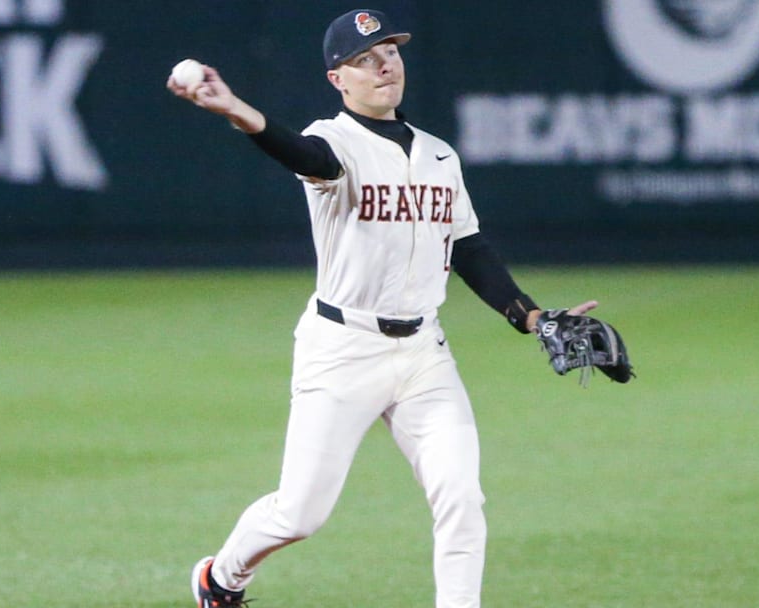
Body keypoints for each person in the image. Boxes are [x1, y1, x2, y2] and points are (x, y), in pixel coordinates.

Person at [167, 8, 597, 608]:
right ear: (336, 79)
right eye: (364, 59)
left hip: (424, 353)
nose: (383, 66)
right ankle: (221, 579)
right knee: (300, 513)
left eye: (389, 53)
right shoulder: (333, 141)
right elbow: (301, 155)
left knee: (461, 499)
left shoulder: (439, 156)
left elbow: (468, 248)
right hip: (342, 348)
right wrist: (238, 111)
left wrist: (532, 316)